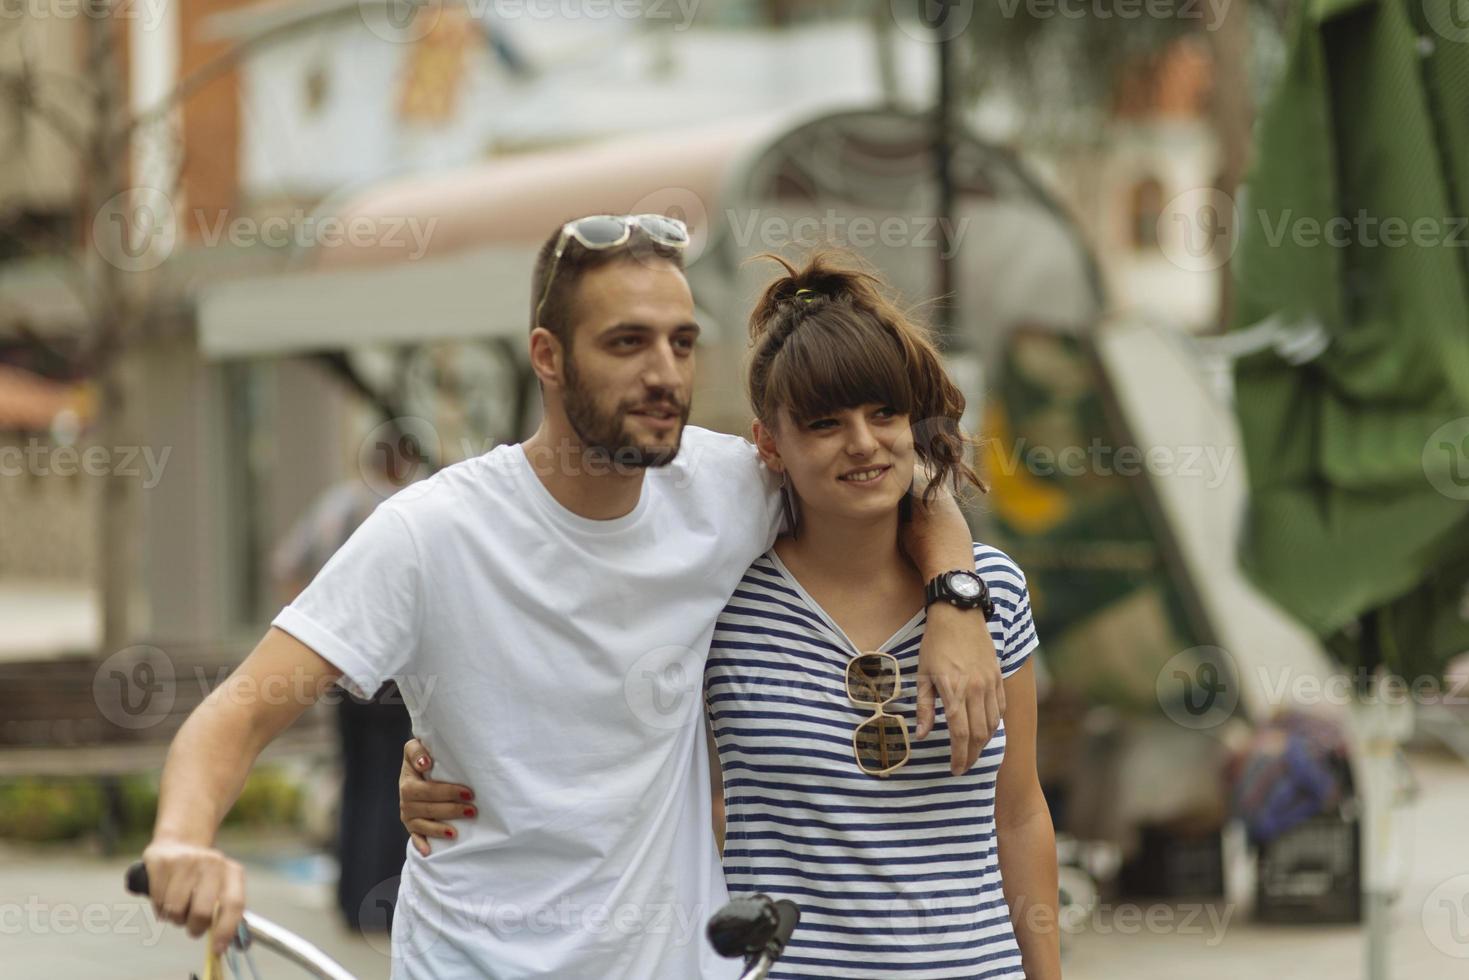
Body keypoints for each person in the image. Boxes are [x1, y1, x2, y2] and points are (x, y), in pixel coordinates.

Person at [137, 215, 1007, 979]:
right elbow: (238, 714)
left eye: (680, 341)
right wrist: (183, 839)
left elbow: (897, 477)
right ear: (547, 357)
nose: (663, 372)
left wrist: (956, 597)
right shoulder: (431, 532)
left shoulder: (728, 486)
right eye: (625, 343)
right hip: (469, 962)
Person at [400, 251, 1062, 977]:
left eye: (884, 413)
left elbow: (1020, 813)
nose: (864, 443)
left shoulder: (985, 588)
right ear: (768, 445)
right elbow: (592, 721)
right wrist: (454, 762)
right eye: (824, 423)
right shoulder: (724, 596)